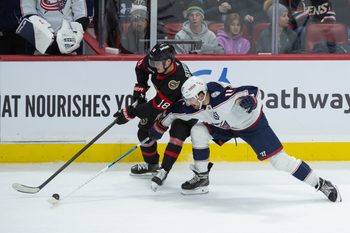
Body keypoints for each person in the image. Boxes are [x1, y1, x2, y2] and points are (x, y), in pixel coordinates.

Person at [149, 76, 342, 202]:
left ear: (201, 94)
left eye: (191, 98)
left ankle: (321, 183)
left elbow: (253, 90)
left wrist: (251, 100)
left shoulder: (224, 96)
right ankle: (201, 177)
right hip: (225, 125)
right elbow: (173, 112)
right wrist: (158, 129)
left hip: (252, 125)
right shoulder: (193, 105)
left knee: (280, 161)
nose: (189, 103)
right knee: (199, 131)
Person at [113, 42, 196, 181]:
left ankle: (169, 170)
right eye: (152, 61)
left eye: (157, 63)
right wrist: (140, 89)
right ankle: (152, 165)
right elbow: (140, 67)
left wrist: (131, 112)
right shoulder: (157, 63)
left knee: (176, 134)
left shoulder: (177, 79)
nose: (153, 65)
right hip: (165, 103)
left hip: (185, 109)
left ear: (169, 62)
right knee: (144, 132)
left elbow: (155, 106)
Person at [18, 0, 89, 55]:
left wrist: (70, 38)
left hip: (69, 44)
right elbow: (29, 15)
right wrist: (48, 42)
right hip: (39, 46)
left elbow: (81, 17)